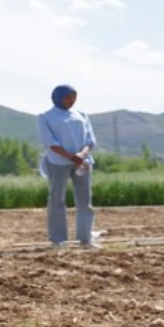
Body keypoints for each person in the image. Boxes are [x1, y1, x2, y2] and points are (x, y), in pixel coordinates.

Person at [38, 84, 98, 248]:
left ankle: (86, 238)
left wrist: (82, 155)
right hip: (58, 162)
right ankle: (58, 239)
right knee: (57, 200)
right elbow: (50, 142)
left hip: (82, 162)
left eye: (73, 97)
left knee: (85, 201)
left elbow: (90, 139)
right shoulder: (45, 116)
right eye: (67, 97)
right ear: (57, 98)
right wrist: (70, 156)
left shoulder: (82, 115)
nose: (71, 101)